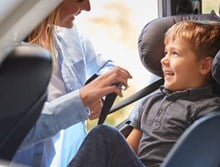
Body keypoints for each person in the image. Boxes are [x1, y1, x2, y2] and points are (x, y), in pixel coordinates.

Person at [68, 20, 220, 167]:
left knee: (104, 134)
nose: (163, 60)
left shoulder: (210, 109)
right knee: (103, 137)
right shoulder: (151, 102)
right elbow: (130, 149)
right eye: (165, 52)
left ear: (204, 65)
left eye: (175, 53)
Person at [11, 0, 132, 167]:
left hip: (60, 160)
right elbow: (16, 131)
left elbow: (106, 67)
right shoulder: (7, 48)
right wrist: (82, 98)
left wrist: (98, 94)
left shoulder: (70, 35)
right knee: (104, 136)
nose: (88, 7)